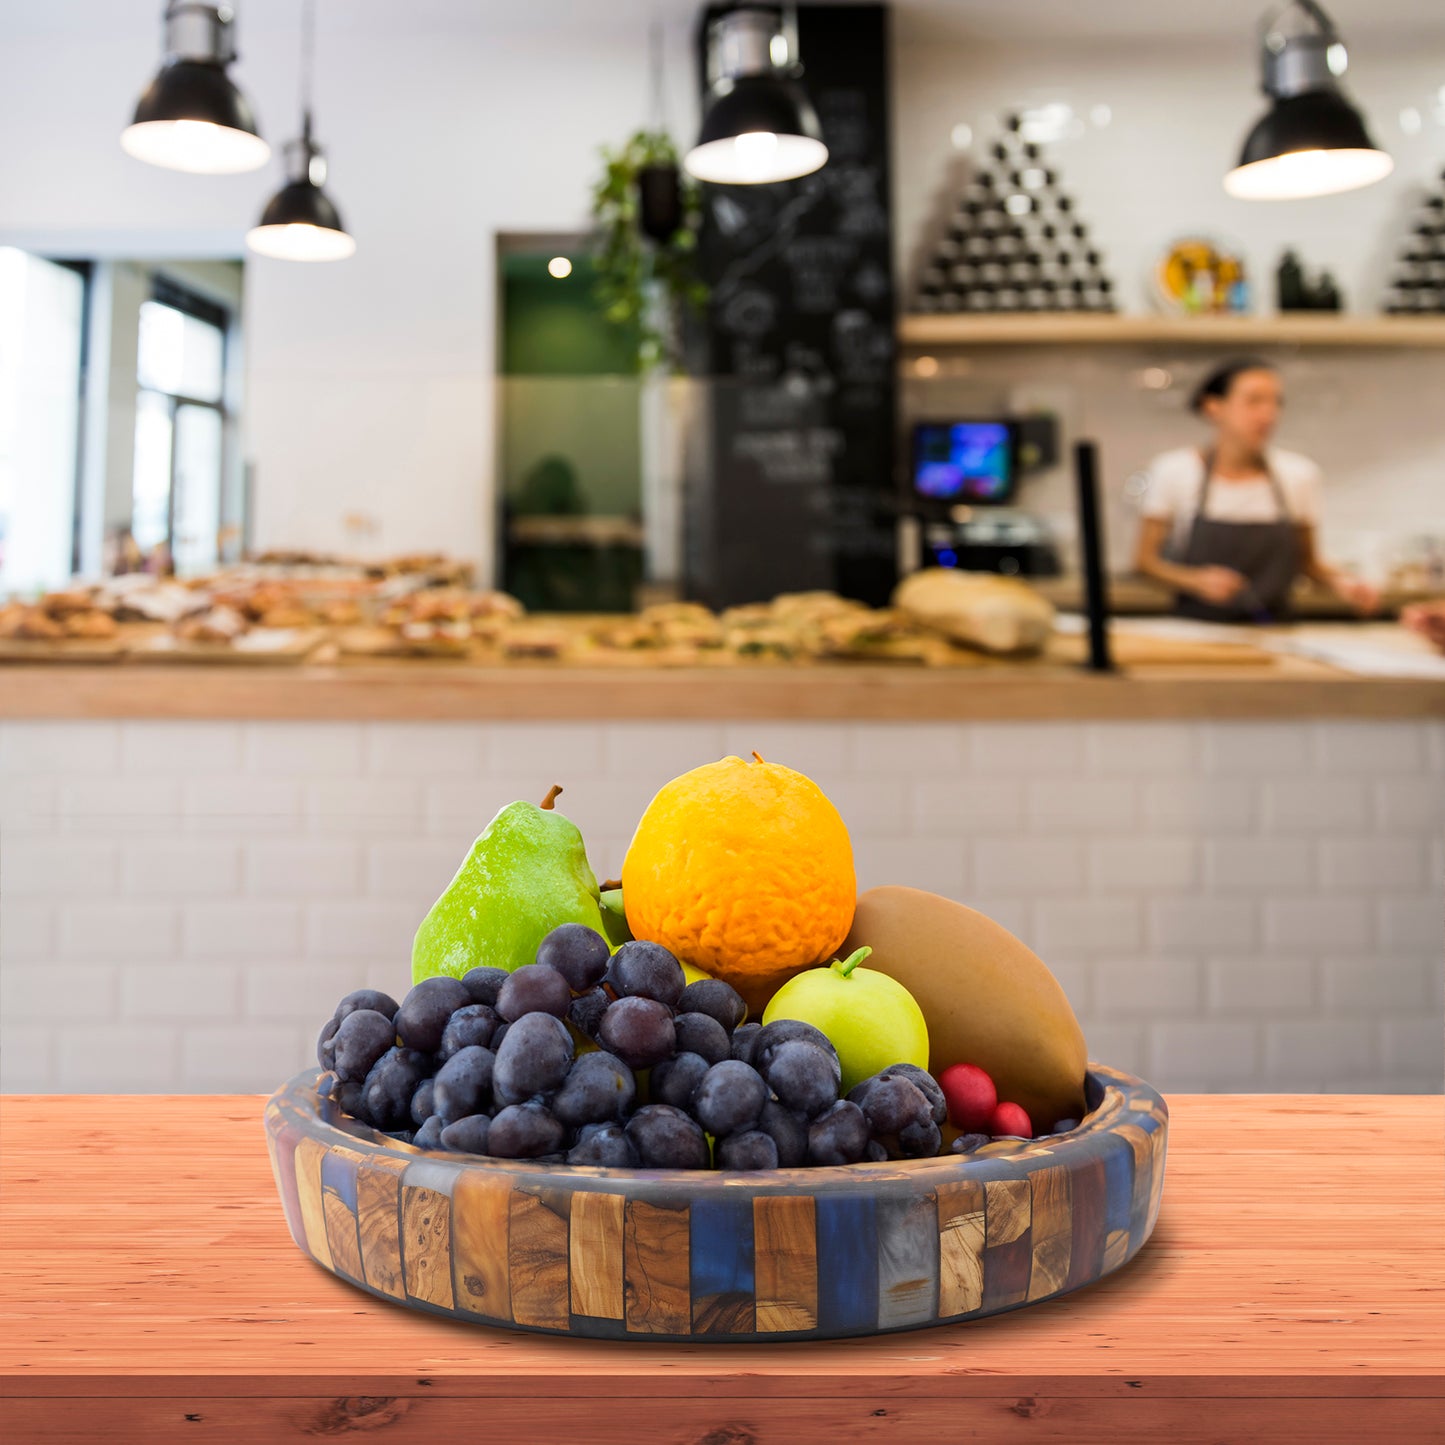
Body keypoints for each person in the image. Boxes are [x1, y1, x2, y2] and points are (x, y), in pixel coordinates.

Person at [1133, 358, 1378, 622]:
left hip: (1275, 630)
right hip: (1194, 632)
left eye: (1276, 402)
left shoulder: (1298, 475)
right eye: (1254, 401)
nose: (1268, 414)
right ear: (1213, 407)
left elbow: (1308, 562)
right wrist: (1195, 580)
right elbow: (1145, 562)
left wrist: (1343, 582)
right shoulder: (1175, 471)